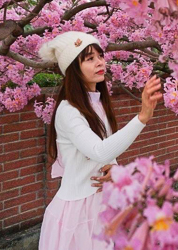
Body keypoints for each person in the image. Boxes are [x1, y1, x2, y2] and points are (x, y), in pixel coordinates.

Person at [37, 31, 162, 249]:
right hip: (76, 214)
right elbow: (99, 150)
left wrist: (113, 169)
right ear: (74, 69)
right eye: (89, 58)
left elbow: (106, 150)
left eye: (100, 56)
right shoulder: (68, 110)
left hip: (101, 205)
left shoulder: (97, 103)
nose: (100, 62)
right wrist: (142, 117)